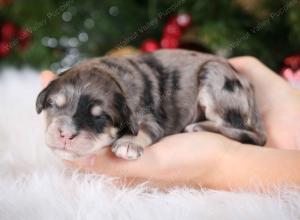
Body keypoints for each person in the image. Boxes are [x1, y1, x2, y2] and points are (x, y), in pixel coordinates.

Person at [41, 56, 300, 191]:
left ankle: (241, 132)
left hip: (212, 78)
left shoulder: (132, 104)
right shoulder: (86, 79)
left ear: (124, 117)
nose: (67, 131)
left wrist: (136, 139)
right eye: (54, 105)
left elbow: (151, 125)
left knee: (215, 73)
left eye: (98, 118)